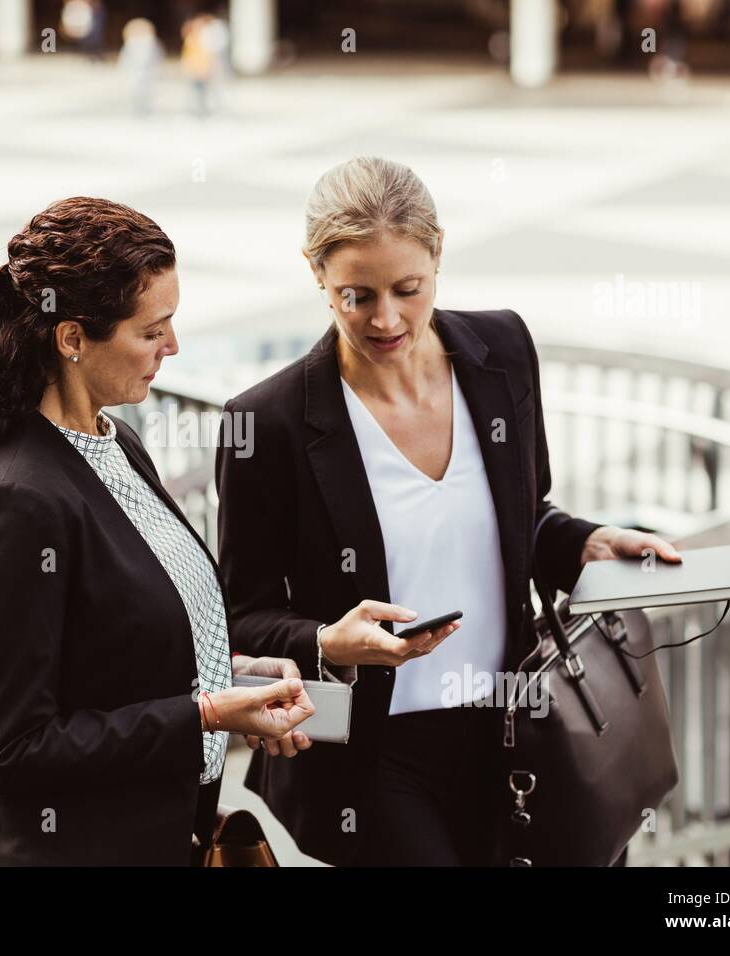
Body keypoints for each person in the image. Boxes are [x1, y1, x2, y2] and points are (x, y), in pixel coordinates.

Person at [215, 157, 681, 866]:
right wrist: (328, 641)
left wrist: (583, 545)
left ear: (438, 255)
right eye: (356, 295)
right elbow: (240, 610)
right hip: (372, 759)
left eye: (408, 288)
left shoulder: (503, 350)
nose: (386, 318)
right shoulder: (267, 421)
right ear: (315, 273)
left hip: (519, 728)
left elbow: (527, 517)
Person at [0, 197, 314, 866]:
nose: (172, 346)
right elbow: (11, 749)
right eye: (152, 330)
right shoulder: (16, 500)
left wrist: (233, 674)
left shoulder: (114, 440)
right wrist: (207, 714)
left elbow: (114, 655)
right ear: (71, 339)